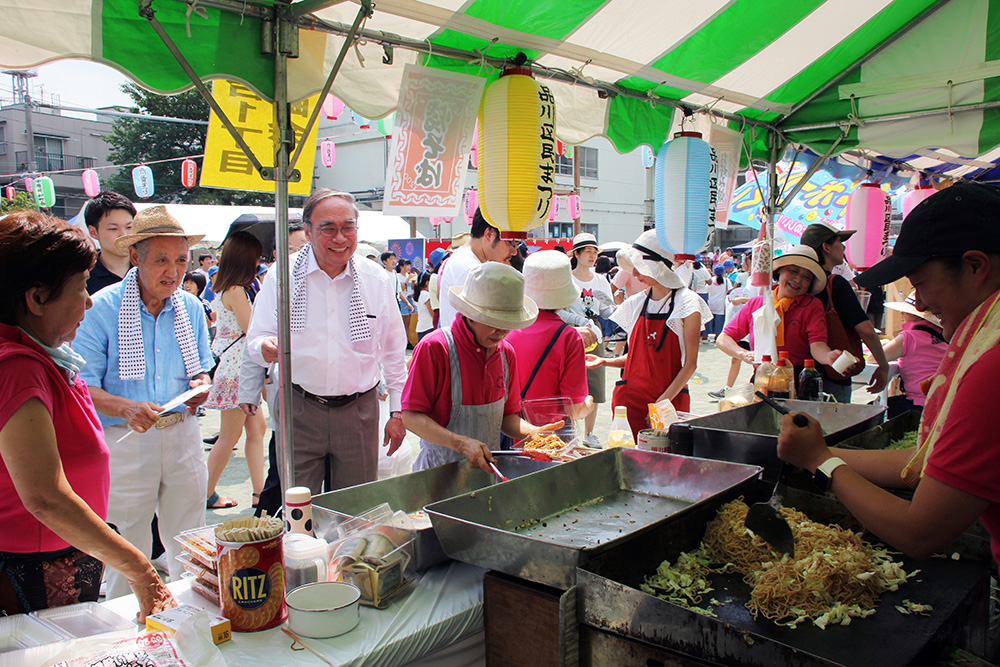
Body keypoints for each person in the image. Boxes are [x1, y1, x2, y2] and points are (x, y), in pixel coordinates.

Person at [778, 181, 1000, 566]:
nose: (921, 304)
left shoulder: (992, 368)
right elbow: (924, 463)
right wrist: (819, 451)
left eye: (919, 285)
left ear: (975, 266)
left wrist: (821, 462)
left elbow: (919, 532)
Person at [0, 211, 175, 619]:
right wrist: (140, 569)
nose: (90, 300)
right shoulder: (17, 367)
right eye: (80, 288)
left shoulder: (45, 354)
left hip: (62, 553)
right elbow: (45, 497)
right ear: (37, 299)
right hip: (30, 567)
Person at [73, 206, 213, 601]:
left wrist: (201, 385)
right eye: (162, 260)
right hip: (125, 439)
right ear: (135, 257)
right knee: (126, 543)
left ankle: (194, 616)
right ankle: (124, 638)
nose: (173, 271)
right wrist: (125, 407)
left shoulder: (189, 307)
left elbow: (201, 369)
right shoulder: (101, 307)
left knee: (191, 539)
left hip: (183, 433)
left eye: (181, 260)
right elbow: (80, 386)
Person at [245, 189, 407, 495]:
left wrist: (397, 413)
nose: (340, 238)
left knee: (354, 510)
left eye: (348, 227)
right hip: (299, 408)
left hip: (359, 411)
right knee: (297, 508)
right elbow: (255, 339)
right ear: (307, 230)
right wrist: (265, 347)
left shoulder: (375, 279)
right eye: (328, 228)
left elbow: (394, 353)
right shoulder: (283, 275)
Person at [402, 262, 557, 471]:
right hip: (439, 472)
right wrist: (459, 442)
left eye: (508, 322)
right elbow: (410, 417)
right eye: (494, 321)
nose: (502, 331)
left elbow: (507, 417)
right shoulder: (435, 347)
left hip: (487, 472)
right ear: (470, 314)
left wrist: (534, 432)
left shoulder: (506, 353)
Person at [591, 231, 711, 439]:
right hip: (630, 401)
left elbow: (690, 364)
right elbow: (639, 358)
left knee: (669, 462)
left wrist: (660, 404)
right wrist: (603, 361)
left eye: (638, 268)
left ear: (657, 266)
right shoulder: (636, 302)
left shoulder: (688, 302)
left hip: (669, 401)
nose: (634, 274)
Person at [716, 246, 841, 390]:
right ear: (779, 270)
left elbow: (817, 345)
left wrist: (829, 357)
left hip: (798, 382)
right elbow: (723, 338)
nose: (798, 280)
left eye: (806, 277)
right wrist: (744, 354)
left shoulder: (811, 306)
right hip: (761, 380)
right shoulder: (756, 304)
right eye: (794, 271)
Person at [203, 232, 267, 510]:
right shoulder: (236, 290)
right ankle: (205, 492)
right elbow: (251, 327)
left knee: (256, 431)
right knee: (230, 436)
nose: (258, 262)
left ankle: (259, 492)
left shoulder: (230, 287)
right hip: (238, 371)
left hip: (239, 369)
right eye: (255, 257)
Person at [800, 220, 889, 402]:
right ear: (826, 247)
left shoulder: (797, 286)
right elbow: (866, 331)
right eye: (840, 242)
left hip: (799, 373)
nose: (843, 248)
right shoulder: (836, 284)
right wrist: (883, 365)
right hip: (834, 372)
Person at [505, 250, 593, 430]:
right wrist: (589, 403)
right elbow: (575, 410)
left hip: (509, 429)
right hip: (552, 433)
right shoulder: (569, 337)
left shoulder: (505, 328)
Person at [559, 233, 616, 447]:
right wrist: (579, 320)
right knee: (569, 381)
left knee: (595, 382)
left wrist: (621, 310)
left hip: (595, 335)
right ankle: (570, 431)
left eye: (595, 252)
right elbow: (560, 311)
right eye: (588, 251)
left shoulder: (600, 280)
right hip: (571, 333)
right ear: (577, 253)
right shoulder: (567, 279)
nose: (593, 256)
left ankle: (589, 434)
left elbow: (606, 310)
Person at [437, 208, 517, 327]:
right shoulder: (470, 269)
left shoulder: (467, 260)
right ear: (489, 234)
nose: (514, 252)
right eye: (511, 243)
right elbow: (481, 328)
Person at [879, 291, 948, 418]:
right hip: (942, 401)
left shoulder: (909, 337)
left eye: (906, 312)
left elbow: (876, 357)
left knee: (877, 409)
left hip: (917, 404)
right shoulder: (944, 335)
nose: (901, 314)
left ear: (918, 316)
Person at [84, 191, 136, 295]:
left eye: (129, 227)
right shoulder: (84, 277)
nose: (124, 234)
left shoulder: (148, 269)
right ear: (93, 232)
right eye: (113, 228)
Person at [706, 265, 728, 340]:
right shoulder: (726, 281)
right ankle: (717, 336)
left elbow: (706, 290)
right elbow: (730, 290)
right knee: (719, 320)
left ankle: (707, 334)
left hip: (712, 302)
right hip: (721, 303)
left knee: (711, 319)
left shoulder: (711, 280)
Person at [413, 271, 435, 341]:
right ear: (427, 283)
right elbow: (432, 313)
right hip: (428, 328)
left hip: (421, 328)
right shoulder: (426, 295)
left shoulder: (420, 294)